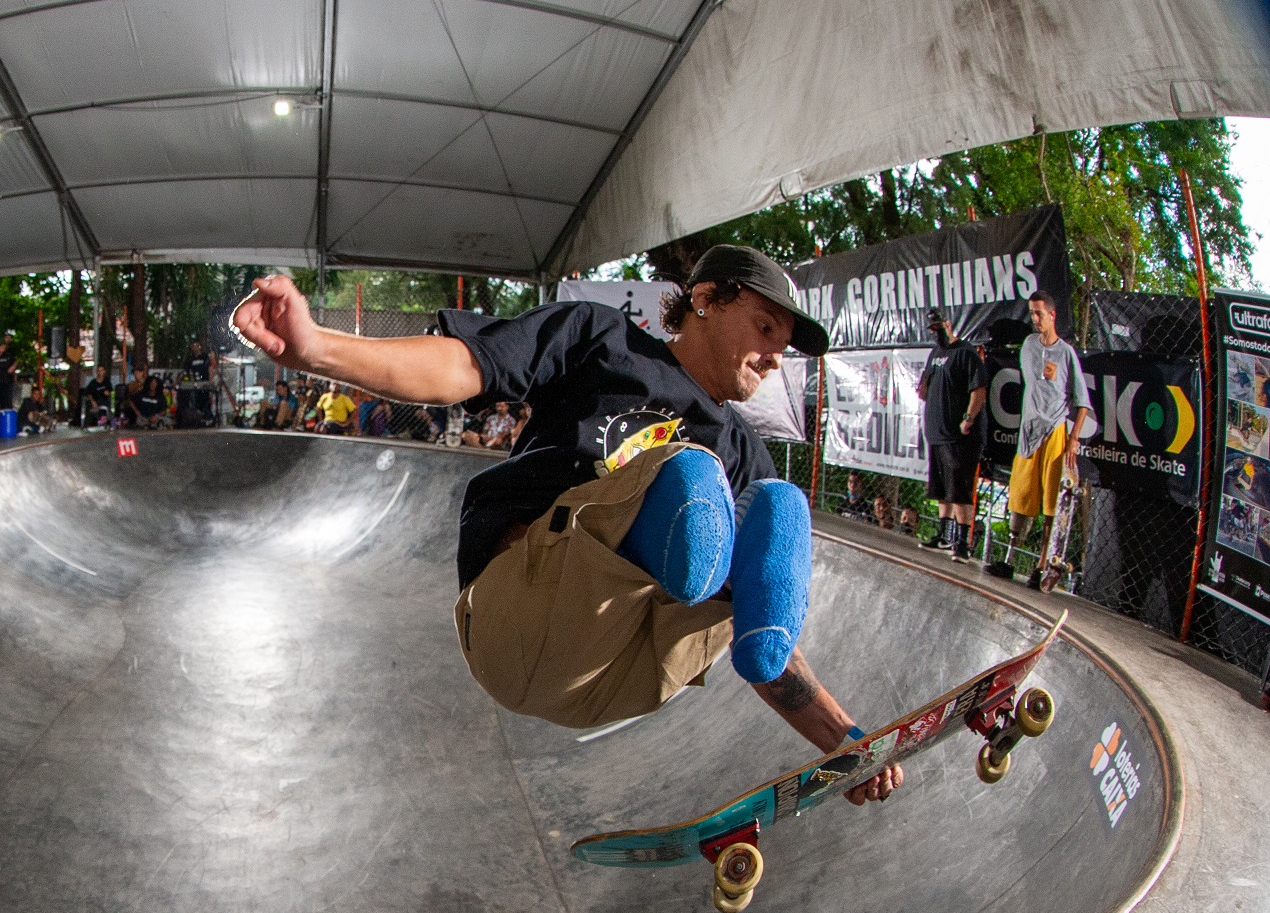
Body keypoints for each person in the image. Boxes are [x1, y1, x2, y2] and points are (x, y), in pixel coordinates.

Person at [231, 247, 902, 804]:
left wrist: (845, 747)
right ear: (707, 299)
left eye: (784, 347)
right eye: (765, 330)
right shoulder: (600, 340)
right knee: (694, 479)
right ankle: (678, 522)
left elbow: (763, 625)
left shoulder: (742, 452)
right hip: (522, 616)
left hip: (620, 671)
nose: (775, 357)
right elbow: (462, 367)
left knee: (776, 507)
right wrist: (317, 349)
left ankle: (690, 538)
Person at [1008, 291, 1093, 579]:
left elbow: (1082, 403)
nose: (1035, 319)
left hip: (1054, 430)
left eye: (1039, 314)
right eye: (1031, 313)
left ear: (1052, 315)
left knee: (1050, 503)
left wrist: (1073, 439)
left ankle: (1042, 564)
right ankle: (1008, 557)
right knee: (1020, 494)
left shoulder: (1066, 353)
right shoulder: (1029, 346)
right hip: (1028, 430)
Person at [916, 310, 988, 562]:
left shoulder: (966, 353)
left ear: (948, 324)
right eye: (932, 330)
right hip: (937, 431)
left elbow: (978, 389)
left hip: (958, 436)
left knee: (959, 488)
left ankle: (962, 542)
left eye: (939, 328)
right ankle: (944, 534)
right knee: (941, 487)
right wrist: (923, 388)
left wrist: (968, 418)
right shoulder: (935, 353)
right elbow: (925, 388)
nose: (936, 333)